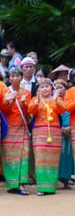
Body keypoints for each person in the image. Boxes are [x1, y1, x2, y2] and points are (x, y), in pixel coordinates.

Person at [28, 78, 66, 195]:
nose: (44, 89)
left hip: (55, 134)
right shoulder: (34, 99)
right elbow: (30, 110)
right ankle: (42, 187)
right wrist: (37, 102)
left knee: (53, 160)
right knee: (40, 160)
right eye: (42, 87)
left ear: (51, 88)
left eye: (47, 86)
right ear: (38, 89)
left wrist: (57, 101)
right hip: (39, 133)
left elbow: (63, 110)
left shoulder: (57, 99)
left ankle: (51, 187)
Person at [0, 67, 32, 195]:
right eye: (12, 76)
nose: (15, 78)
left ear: (21, 77)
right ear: (9, 79)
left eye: (17, 76)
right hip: (9, 129)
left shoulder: (26, 92)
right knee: (9, 157)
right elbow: (3, 111)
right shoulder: (4, 91)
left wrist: (24, 103)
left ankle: (22, 184)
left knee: (24, 155)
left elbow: (29, 112)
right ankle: (12, 184)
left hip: (22, 127)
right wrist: (7, 101)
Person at [54, 79, 74, 188]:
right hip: (57, 130)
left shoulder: (70, 100)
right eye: (56, 88)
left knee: (68, 155)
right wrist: (60, 128)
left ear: (66, 89)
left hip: (70, 130)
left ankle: (66, 180)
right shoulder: (53, 100)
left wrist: (70, 128)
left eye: (61, 87)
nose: (59, 90)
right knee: (57, 155)